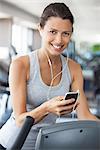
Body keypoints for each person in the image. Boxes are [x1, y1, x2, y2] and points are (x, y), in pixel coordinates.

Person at [0, 2, 98, 150]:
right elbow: (20, 120)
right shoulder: (21, 64)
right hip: (13, 144)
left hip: (46, 144)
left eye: (65, 33)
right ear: (40, 29)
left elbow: (84, 114)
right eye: (53, 32)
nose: (59, 40)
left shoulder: (74, 68)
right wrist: (46, 108)